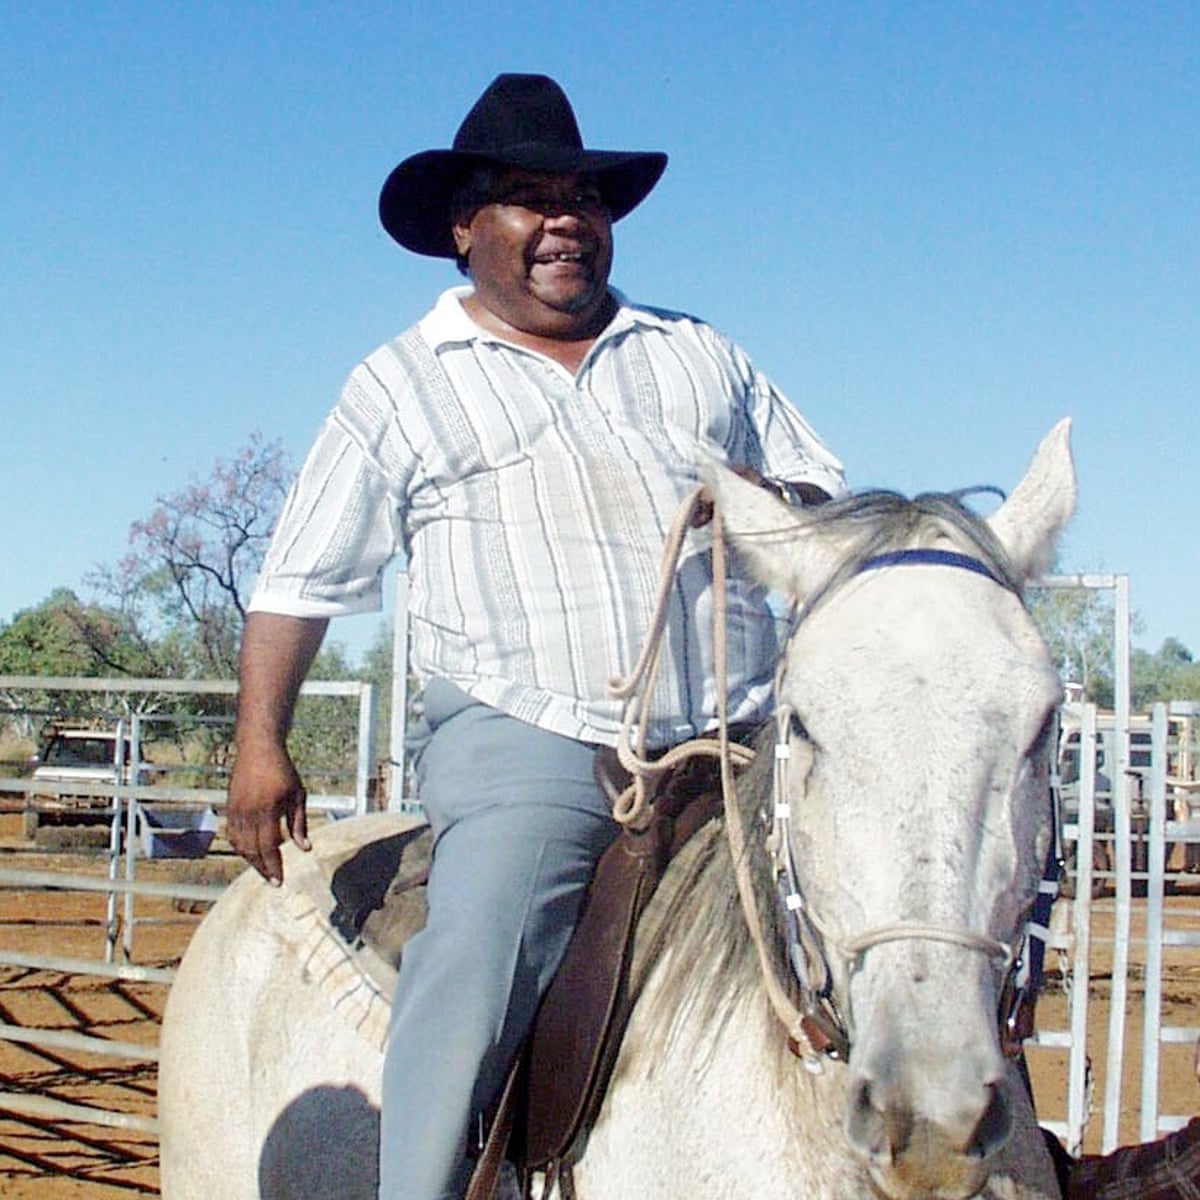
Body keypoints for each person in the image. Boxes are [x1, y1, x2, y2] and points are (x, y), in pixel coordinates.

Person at [226, 72, 846, 1200]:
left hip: (734, 731)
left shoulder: (696, 351)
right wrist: (258, 744)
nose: (567, 218)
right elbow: (300, 577)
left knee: (906, 903)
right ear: (466, 230)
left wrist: (766, 499)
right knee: (483, 944)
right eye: (528, 196)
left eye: (585, 198)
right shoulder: (400, 385)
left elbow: (819, 494)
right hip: (534, 733)